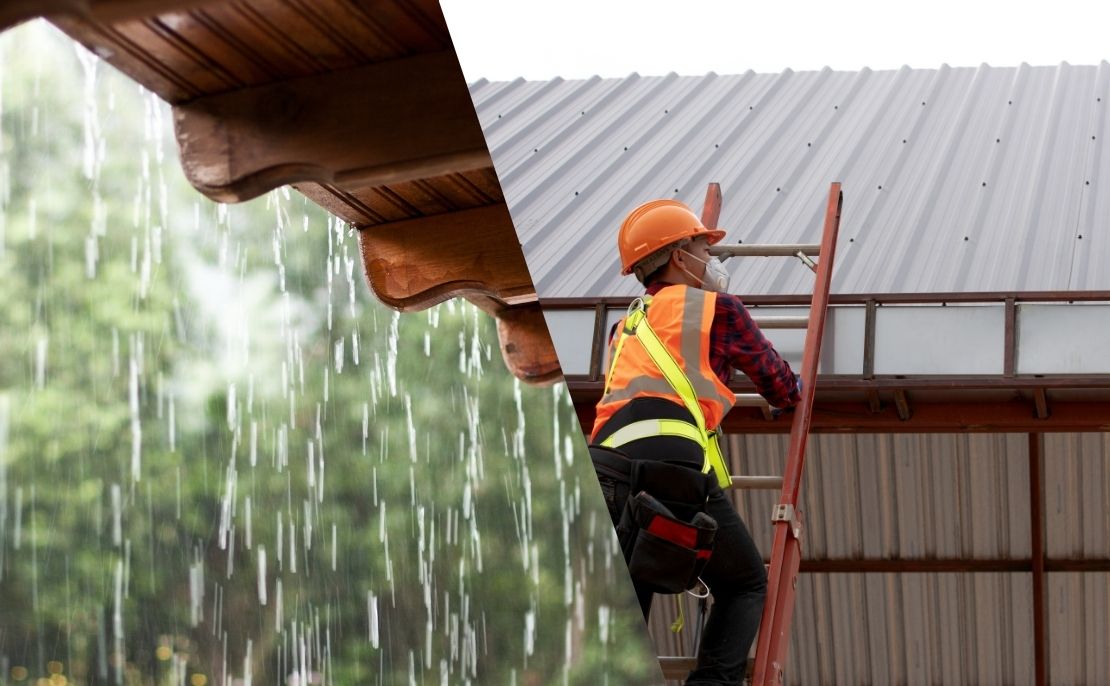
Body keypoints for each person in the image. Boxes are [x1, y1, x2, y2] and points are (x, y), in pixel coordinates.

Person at [589, 199, 800, 685]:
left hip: (605, 471)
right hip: (672, 466)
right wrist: (796, 390)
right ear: (680, 257)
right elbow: (779, 385)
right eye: (706, 250)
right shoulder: (717, 310)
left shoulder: (626, 327)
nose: (713, 261)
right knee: (746, 584)